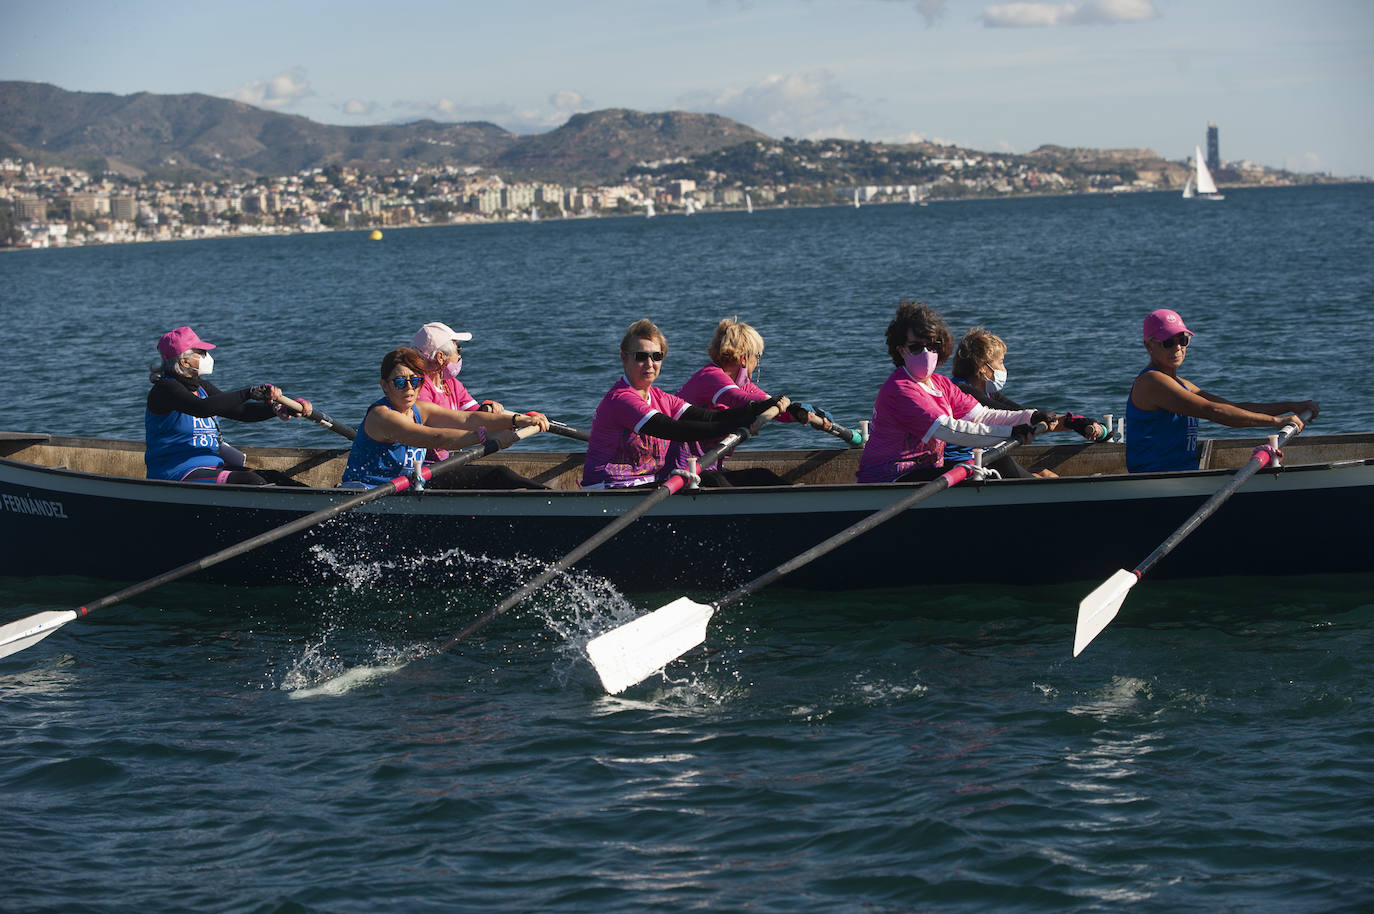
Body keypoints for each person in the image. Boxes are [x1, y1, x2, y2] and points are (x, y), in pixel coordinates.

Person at [856, 302, 1056, 484]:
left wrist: (1030, 416)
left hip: (925, 473)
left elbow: (983, 416)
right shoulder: (900, 389)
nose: (926, 354)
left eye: (932, 346)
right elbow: (950, 430)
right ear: (901, 351)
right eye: (916, 347)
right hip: (890, 480)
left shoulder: (940, 384)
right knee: (988, 466)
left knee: (996, 461)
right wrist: (1009, 432)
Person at [581, 318, 789, 489]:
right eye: (641, 357)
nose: (650, 364)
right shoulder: (622, 399)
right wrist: (736, 425)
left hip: (652, 484)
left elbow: (708, 417)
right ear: (624, 358)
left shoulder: (661, 397)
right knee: (712, 481)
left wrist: (756, 409)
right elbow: (677, 430)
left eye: (656, 356)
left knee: (761, 477)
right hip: (611, 488)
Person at [1125, 308, 1319, 473]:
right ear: (1149, 346)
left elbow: (1232, 407)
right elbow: (1213, 411)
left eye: (1182, 340)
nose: (1177, 348)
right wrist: (1277, 422)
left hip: (1183, 475)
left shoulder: (1180, 383)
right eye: (1167, 342)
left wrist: (1290, 406)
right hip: (1156, 481)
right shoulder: (1151, 381)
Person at [340, 347, 549, 489]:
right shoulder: (382, 416)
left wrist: (518, 420)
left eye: (415, 381)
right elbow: (437, 438)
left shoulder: (421, 409)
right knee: (497, 475)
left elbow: (469, 420)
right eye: (400, 383)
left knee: (497, 475)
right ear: (384, 385)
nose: (410, 388)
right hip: (368, 493)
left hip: (406, 488)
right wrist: (489, 438)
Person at [145, 325, 314, 485]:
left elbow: (241, 412)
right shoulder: (165, 389)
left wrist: (278, 409)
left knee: (274, 477)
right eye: (201, 352)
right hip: (176, 472)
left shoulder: (202, 387)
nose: (207, 357)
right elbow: (201, 409)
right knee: (252, 481)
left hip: (211, 467)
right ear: (185, 362)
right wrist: (248, 393)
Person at [670, 317, 828, 486]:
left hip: (707, 468)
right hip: (679, 471)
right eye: (757, 356)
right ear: (744, 358)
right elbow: (738, 399)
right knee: (722, 483)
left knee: (762, 476)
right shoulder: (711, 376)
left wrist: (803, 413)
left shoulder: (743, 386)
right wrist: (775, 402)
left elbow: (776, 412)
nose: (758, 363)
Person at [947, 326, 1103, 478]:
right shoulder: (959, 390)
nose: (1004, 369)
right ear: (982, 367)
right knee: (1042, 477)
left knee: (1045, 474)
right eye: (1001, 362)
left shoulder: (989, 393)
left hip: (982, 459)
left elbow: (1027, 415)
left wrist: (1075, 422)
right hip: (959, 465)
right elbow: (1013, 418)